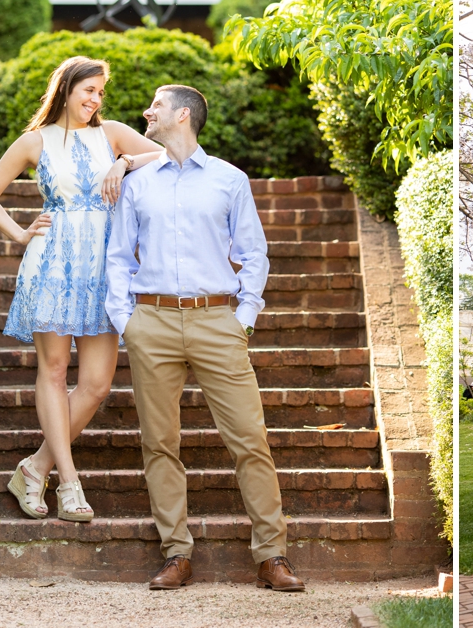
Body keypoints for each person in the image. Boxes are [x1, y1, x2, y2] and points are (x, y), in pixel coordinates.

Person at [105, 84, 305, 592]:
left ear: (183, 116)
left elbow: (254, 253)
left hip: (218, 321)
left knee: (249, 439)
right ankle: (176, 554)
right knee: (159, 442)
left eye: (157, 105)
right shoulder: (138, 183)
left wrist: (245, 316)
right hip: (152, 322)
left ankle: (272, 555)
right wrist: (125, 320)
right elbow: (119, 258)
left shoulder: (228, 180)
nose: (147, 111)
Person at [0, 56, 163, 523]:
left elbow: (171, 156)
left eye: (101, 92)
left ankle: (35, 467)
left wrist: (125, 161)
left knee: (97, 383)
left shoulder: (113, 134)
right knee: (54, 371)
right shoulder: (33, 141)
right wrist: (19, 234)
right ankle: (69, 483)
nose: (96, 99)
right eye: (89, 90)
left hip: (104, 264)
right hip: (52, 263)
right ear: (66, 88)